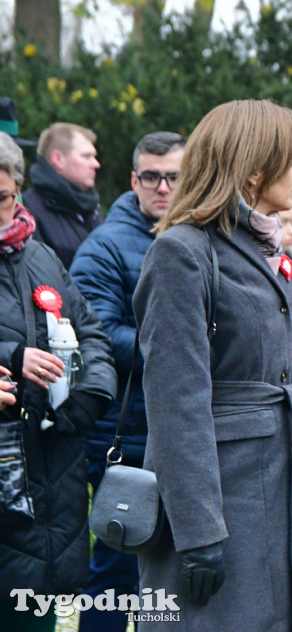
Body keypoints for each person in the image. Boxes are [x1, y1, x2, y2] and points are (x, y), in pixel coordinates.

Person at [132, 100, 292, 630]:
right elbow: (175, 401)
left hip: (274, 492)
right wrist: (199, 532)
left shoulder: (258, 247)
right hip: (221, 506)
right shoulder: (181, 253)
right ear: (255, 169)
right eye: (291, 160)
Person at [69, 131, 185, 632]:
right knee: (117, 579)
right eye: (152, 177)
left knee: (166, 583)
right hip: (124, 436)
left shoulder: (193, 236)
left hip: (175, 431)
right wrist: (183, 351)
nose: (163, 187)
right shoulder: (105, 247)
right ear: (134, 181)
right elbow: (97, 333)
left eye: (174, 177)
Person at [0, 131, 116, 630]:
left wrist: (88, 399)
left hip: (50, 477)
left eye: (2, 198)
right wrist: (11, 356)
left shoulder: (40, 255)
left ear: (18, 192)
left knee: (34, 611)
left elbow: (91, 332)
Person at [22, 122, 103, 268]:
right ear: (58, 159)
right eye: (86, 156)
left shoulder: (93, 211)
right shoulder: (28, 210)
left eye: (94, 156)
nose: (96, 164)